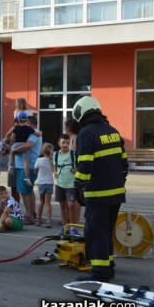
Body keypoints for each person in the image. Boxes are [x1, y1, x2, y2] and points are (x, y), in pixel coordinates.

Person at [72, 96, 127, 282]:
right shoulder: (113, 131)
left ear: (81, 113)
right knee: (106, 232)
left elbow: (85, 164)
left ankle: (99, 273)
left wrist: (77, 186)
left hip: (98, 195)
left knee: (95, 233)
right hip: (116, 195)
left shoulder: (86, 133)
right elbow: (124, 164)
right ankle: (108, 266)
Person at [11, 116, 42, 225]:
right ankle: (31, 214)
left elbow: (28, 146)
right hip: (22, 165)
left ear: (29, 123)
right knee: (26, 191)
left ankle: (30, 217)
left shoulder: (34, 133)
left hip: (28, 166)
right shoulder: (31, 132)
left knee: (26, 192)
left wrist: (14, 150)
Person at [6, 112, 40, 187]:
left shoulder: (16, 128)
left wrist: (13, 141)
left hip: (16, 144)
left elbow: (12, 138)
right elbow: (37, 134)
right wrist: (40, 133)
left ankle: (10, 165)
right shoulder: (28, 128)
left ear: (18, 120)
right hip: (24, 145)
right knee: (26, 161)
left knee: (12, 152)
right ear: (26, 120)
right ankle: (27, 177)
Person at [54, 133, 78, 229]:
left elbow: (78, 166)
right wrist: (54, 172)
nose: (65, 145)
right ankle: (65, 226)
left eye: (67, 143)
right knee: (62, 204)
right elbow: (55, 166)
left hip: (70, 183)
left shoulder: (73, 154)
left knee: (71, 205)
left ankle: (72, 227)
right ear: (59, 143)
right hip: (59, 183)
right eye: (63, 142)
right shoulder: (56, 154)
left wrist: (75, 170)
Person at [65, 117, 84, 223]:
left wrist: (76, 169)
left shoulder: (76, 138)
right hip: (69, 171)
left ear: (68, 128)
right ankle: (70, 218)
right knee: (69, 196)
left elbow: (77, 156)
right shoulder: (71, 138)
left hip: (75, 171)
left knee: (75, 197)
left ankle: (75, 221)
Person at [34, 142, 54, 228]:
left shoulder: (39, 160)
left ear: (43, 151)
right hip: (49, 182)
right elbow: (53, 170)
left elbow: (35, 169)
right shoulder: (52, 160)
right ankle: (49, 221)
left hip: (41, 183)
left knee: (41, 202)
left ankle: (38, 220)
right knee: (48, 203)